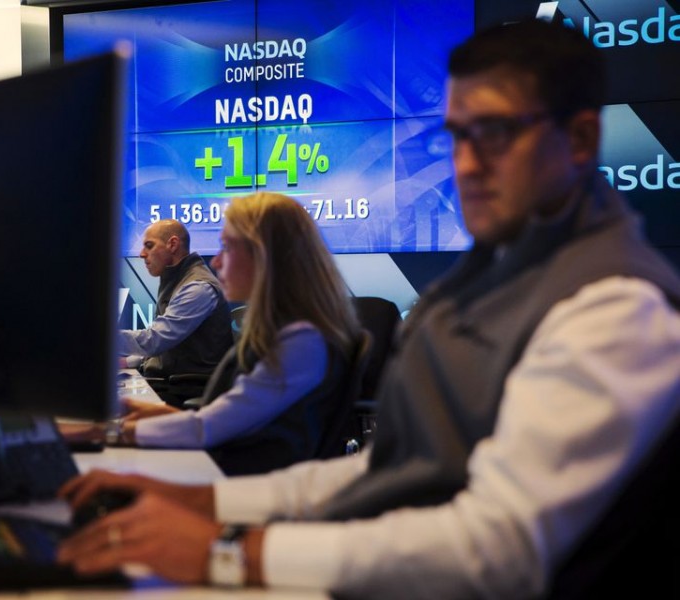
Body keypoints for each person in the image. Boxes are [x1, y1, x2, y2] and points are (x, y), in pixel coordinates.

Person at [55, 19, 680, 598]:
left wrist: (231, 551)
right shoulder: (484, 287)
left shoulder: (618, 309)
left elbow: (496, 547)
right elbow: (385, 470)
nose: (465, 164)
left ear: (580, 139)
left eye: (495, 133)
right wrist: (202, 505)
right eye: (456, 136)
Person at [72, 192, 364, 475]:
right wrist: (127, 414)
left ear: (264, 255)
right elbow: (220, 421)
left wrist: (104, 432)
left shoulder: (301, 344)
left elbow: (206, 429)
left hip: (236, 481)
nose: (217, 262)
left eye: (227, 247)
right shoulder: (284, 334)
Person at [118, 219, 234, 390]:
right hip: (171, 382)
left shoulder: (198, 288)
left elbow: (154, 341)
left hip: (183, 390)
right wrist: (128, 361)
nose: (142, 254)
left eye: (149, 246)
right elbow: (171, 350)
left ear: (172, 245)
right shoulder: (177, 280)